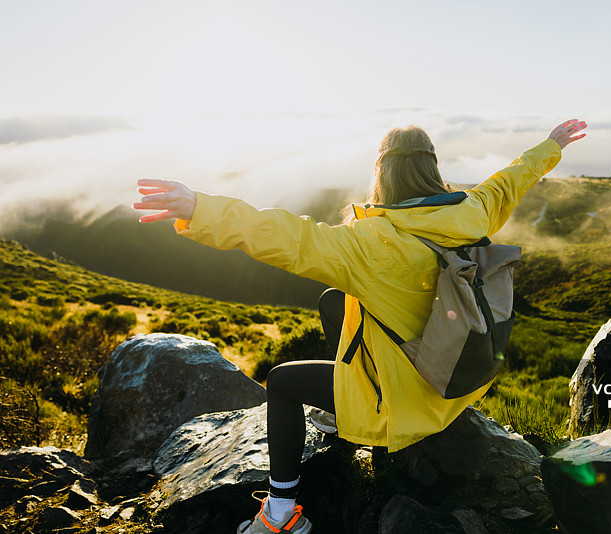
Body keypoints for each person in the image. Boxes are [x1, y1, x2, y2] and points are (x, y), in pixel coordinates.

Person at [134, 119, 587, 533]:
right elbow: (510, 181)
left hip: (409, 399)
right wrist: (550, 146)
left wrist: (199, 207)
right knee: (336, 302)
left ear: (383, 174)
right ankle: (338, 418)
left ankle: (281, 512)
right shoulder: (473, 210)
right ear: (431, 167)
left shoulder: (370, 244)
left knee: (283, 382)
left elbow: (288, 235)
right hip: (458, 372)